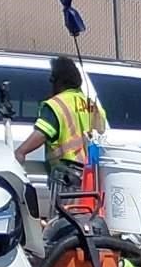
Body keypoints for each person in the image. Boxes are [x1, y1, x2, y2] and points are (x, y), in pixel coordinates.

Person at [19, 54, 106, 199]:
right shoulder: (93, 105)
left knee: (65, 217)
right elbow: (101, 134)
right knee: (87, 216)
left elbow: (42, 133)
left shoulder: (56, 105)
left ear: (59, 80)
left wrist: (21, 151)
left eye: (52, 79)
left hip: (68, 175)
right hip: (94, 174)